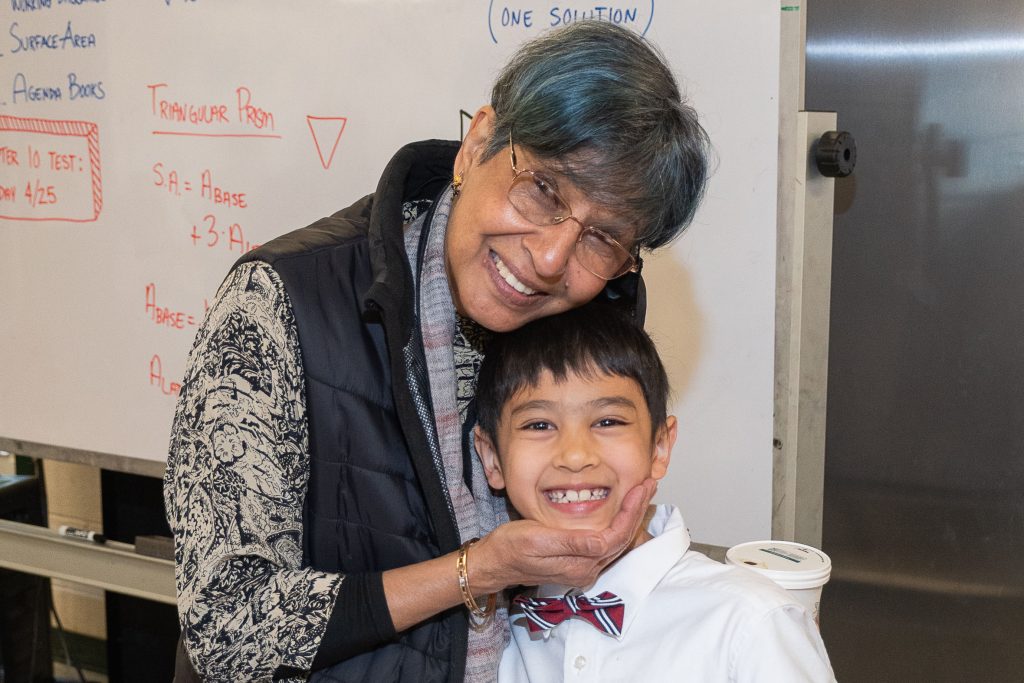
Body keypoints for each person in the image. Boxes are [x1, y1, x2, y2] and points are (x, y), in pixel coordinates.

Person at [163, 20, 710, 683]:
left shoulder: (590, 320)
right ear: (478, 143)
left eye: (601, 237)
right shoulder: (279, 301)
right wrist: (478, 570)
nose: (548, 257)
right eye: (543, 190)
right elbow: (227, 627)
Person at [472, 302, 837, 682]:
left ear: (659, 447)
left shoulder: (751, 621)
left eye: (608, 421)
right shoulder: (488, 634)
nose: (575, 455)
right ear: (493, 459)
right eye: (539, 425)